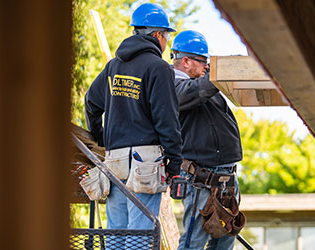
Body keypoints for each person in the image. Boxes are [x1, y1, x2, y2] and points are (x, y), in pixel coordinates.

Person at [84, 3, 182, 248]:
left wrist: (104, 140)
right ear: (157, 35)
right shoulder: (158, 68)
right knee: (139, 236)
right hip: (146, 161)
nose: (166, 42)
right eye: (166, 36)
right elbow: (166, 120)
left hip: (115, 159)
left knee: (116, 234)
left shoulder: (113, 67)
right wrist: (175, 161)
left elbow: (91, 103)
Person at [172, 30, 244, 250]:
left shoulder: (201, 86)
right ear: (185, 61)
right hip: (200, 178)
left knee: (226, 234)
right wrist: (218, 74)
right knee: (195, 240)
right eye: (203, 62)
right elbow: (194, 93)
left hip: (225, 175)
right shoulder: (173, 85)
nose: (206, 67)